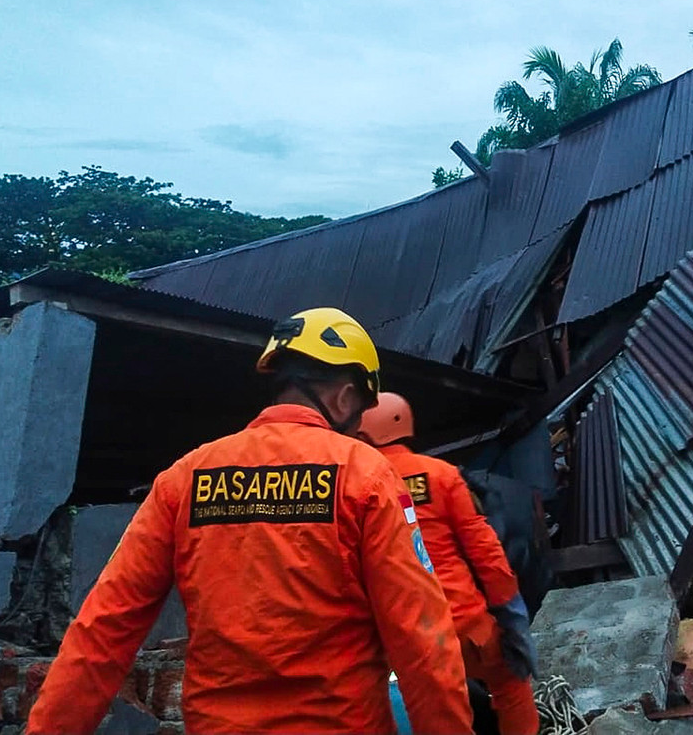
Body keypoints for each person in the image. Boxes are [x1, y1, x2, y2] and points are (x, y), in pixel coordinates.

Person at [27, 308, 473, 734]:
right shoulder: (367, 474)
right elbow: (422, 640)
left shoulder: (186, 477)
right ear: (344, 396)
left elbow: (102, 632)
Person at [358, 393, 541, 735]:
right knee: (511, 685)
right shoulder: (441, 475)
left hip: (406, 641)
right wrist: (512, 618)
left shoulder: (356, 484)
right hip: (467, 627)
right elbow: (486, 552)